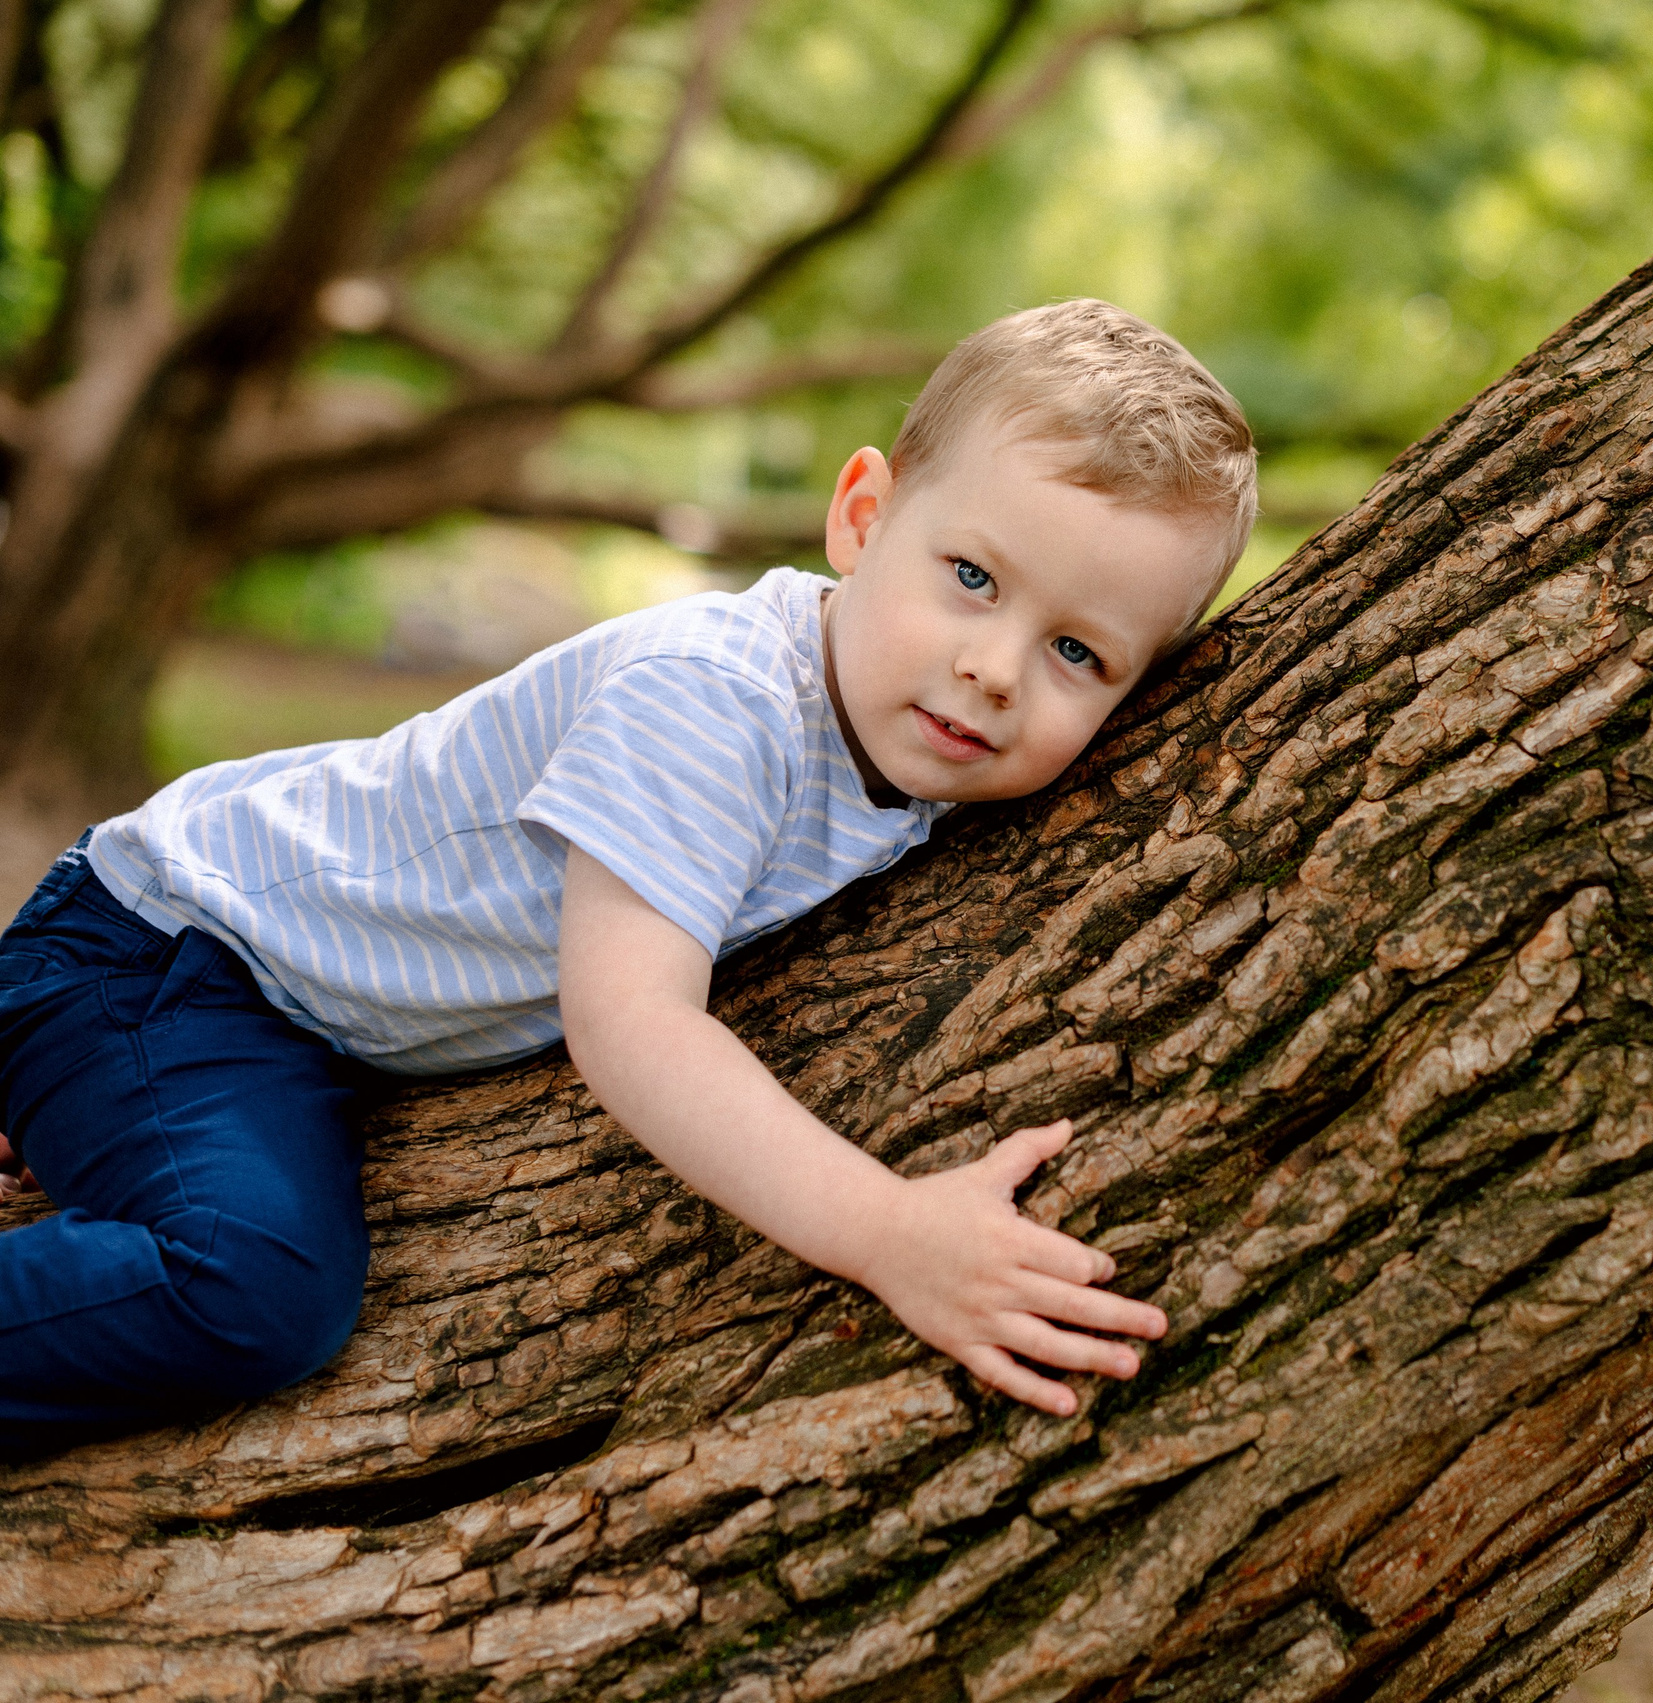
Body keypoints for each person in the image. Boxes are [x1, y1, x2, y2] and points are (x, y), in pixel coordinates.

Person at [0, 298, 1256, 1457]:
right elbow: (632, 1017)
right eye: (973, 578)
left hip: (285, 1003)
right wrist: (890, 1231)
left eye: (1079, 651)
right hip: (172, 954)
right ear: (863, 519)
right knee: (254, 1283)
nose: (996, 668)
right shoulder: (716, 701)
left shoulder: (918, 755)